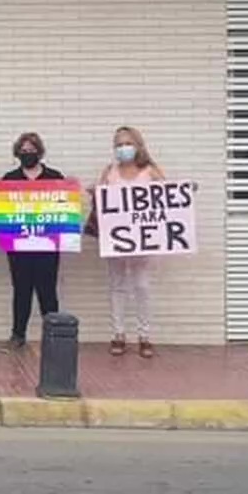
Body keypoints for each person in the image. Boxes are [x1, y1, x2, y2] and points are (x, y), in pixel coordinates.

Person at [98, 125, 165, 358]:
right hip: (117, 239)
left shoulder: (150, 171)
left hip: (143, 239)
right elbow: (101, 200)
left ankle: (144, 335)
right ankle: (118, 334)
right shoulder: (110, 171)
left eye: (127, 143)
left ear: (137, 146)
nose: (122, 148)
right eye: (118, 145)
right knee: (117, 286)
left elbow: (167, 200)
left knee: (142, 286)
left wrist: (185, 192)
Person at [1, 133, 65, 351]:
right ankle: (18, 334)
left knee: (48, 292)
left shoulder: (54, 176)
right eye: (24, 151)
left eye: (32, 150)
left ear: (40, 151)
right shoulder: (9, 179)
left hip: (47, 247)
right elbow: (1, 210)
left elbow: (64, 208)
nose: (28, 154)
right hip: (19, 248)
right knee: (21, 291)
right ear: (18, 153)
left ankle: (54, 336)